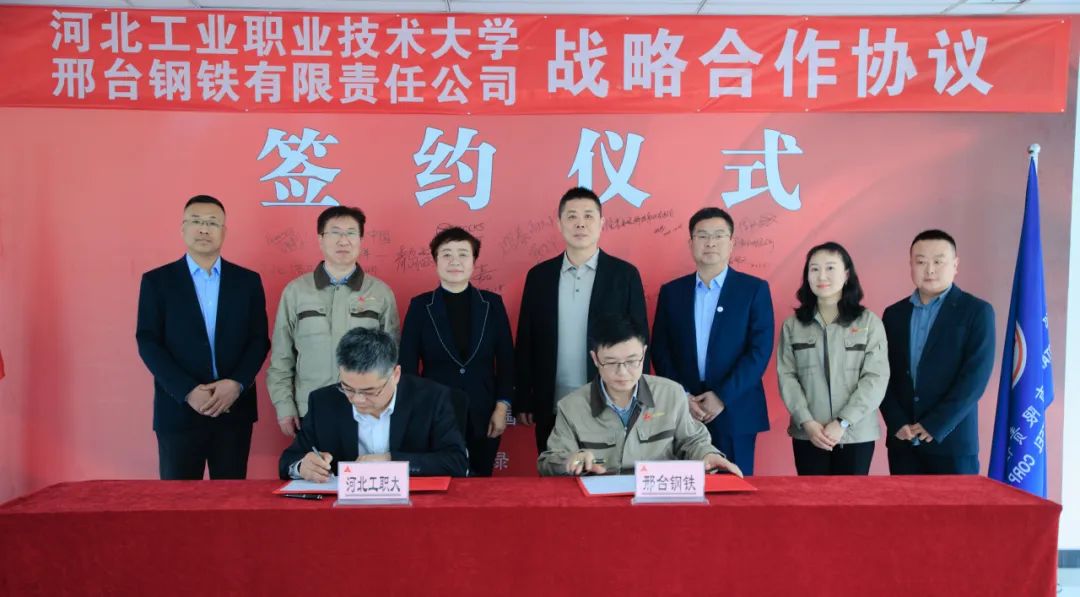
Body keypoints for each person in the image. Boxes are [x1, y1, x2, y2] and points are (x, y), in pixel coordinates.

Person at [136, 194, 269, 480]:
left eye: (212, 223)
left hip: (233, 409)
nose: (204, 229)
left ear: (224, 231)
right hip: (178, 410)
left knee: (230, 499)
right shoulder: (157, 281)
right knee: (178, 501)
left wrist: (237, 384)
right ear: (183, 228)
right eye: (196, 221)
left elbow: (259, 340)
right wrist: (187, 390)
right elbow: (148, 342)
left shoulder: (247, 281)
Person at [515, 187, 649, 455]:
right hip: (552, 400)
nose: (580, 223)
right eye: (572, 216)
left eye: (588, 216)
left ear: (601, 223)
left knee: (607, 473)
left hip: (611, 398)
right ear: (559, 223)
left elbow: (641, 339)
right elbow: (526, 340)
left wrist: (637, 396)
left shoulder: (624, 275)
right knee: (555, 471)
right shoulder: (539, 276)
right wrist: (523, 397)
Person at [538, 315, 742, 477]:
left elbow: (693, 442)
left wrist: (708, 454)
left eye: (632, 361)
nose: (622, 372)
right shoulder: (572, 406)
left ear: (644, 354)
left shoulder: (671, 394)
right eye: (611, 362)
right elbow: (549, 462)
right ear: (595, 358)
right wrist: (574, 459)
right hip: (600, 504)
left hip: (658, 500)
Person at [651, 207, 774, 475]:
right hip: (685, 411)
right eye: (702, 236)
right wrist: (683, 396)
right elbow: (660, 349)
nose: (710, 242)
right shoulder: (672, 292)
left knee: (735, 488)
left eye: (719, 235)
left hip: (735, 410)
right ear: (691, 243)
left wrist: (722, 396)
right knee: (686, 491)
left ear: (731, 243)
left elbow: (759, 351)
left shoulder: (753, 289)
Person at [267, 205, 400, 439]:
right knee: (316, 464)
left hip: (367, 410)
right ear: (320, 239)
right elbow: (281, 356)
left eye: (351, 233)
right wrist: (284, 405)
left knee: (364, 464)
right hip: (311, 407)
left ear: (360, 240)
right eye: (335, 232)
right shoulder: (296, 291)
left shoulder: (380, 293)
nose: (343, 241)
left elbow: (392, 358)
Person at [399, 227, 514, 476]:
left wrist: (502, 406)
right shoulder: (420, 306)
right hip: (435, 412)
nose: (455, 261)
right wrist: (417, 412)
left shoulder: (492, 304)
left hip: (484, 412)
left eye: (463, 254)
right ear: (435, 260)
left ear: (474, 261)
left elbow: (506, 360)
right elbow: (407, 365)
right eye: (446, 254)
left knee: (481, 482)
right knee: (441, 481)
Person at [279, 327, 468, 480]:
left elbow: (457, 462)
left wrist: (391, 462)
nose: (357, 399)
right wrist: (302, 466)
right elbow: (288, 460)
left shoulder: (432, 398)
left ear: (395, 375)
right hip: (344, 510)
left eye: (369, 391)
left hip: (414, 508)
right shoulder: (324, 402)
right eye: (347, 388)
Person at [880, 229, 995, 475]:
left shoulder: (977, 311)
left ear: (955, 265)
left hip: (951, 442)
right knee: (903, 502)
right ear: (910, 265)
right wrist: (896, 421)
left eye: (938, 261)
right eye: (921, 262)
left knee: (956, 503)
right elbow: (882, 373)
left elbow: (975, 379)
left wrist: (935, 424)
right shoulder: (894, 314)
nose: (929, 270)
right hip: (904, 441)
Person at [777, 242, 889, 476]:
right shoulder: (793, 325)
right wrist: (806, 422)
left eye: (830, 268)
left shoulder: (868, 322)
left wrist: (843, 422)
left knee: (852, 499)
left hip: (855, 434)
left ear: (846, 275)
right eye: (814, 269)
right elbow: (787, 377)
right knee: (811, 498)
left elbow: (875, 378)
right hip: (809, 434)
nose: (822, 276)